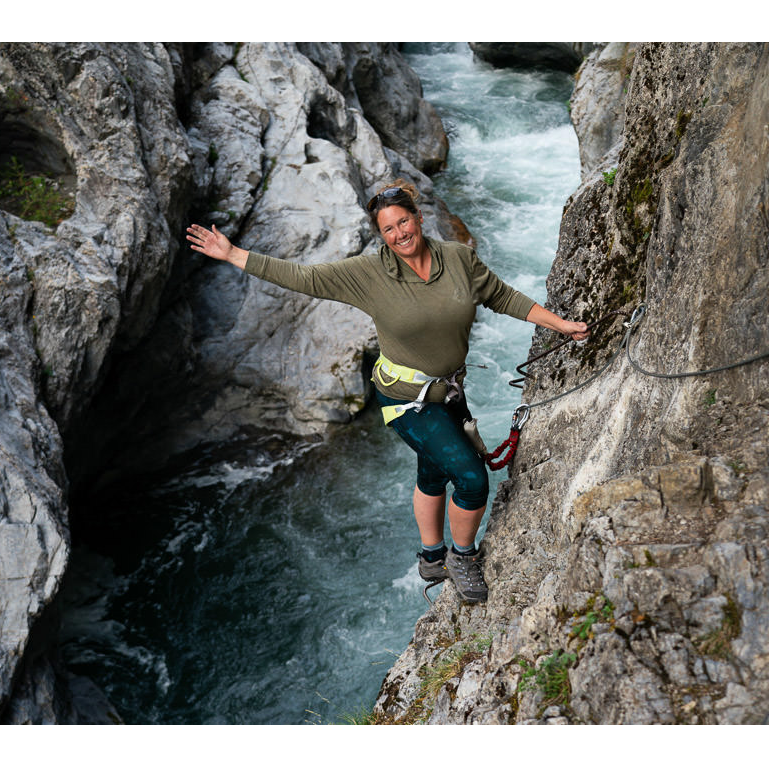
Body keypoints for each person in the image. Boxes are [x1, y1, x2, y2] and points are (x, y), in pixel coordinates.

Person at [186, 180, 587, 603]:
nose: (399, 234)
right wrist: (232, 254)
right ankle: (462, 557)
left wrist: (561, 325)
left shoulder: (458, 258)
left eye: (403, 222)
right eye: (388, 230)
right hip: (405, 398)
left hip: (448, 392)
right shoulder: (369, 273)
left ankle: (432, 556)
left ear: (418, 217)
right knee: (471, 479)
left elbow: (501, 295)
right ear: (381, 236)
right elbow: (304, 277)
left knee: (434, 469)